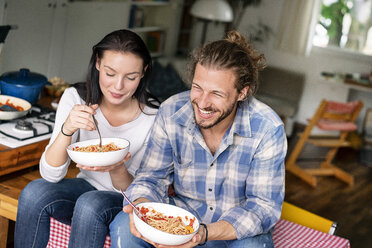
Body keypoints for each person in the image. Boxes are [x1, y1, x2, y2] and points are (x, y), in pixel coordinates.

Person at [110, 30, 287, 248]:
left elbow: (263, 208)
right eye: (197, 88)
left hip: (233, 231)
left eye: (217, 94)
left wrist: (202, 233)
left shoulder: (268, 128)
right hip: (184, 215)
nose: (202, 103)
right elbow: (151, 177)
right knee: (123, 225)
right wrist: (143, 207)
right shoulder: (171, 111)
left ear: (242, 93)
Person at [14, 29, 159, 248]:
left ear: (143, 73)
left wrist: (117, 167)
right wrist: (67, 129)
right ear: (98, 64)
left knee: (90, 203)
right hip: (85, 185)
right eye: (110, 73)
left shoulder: (154, 116)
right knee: (34, 192)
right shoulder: (76, 98)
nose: (118, 86)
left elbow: (141, 192)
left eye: (130, 77)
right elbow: (50, 174)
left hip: (124, 197)